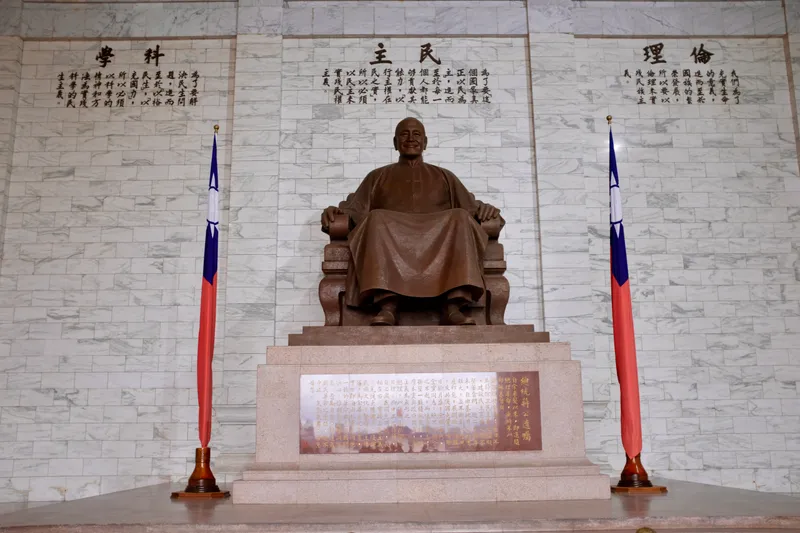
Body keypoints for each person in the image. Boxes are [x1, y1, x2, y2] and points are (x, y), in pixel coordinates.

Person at [321, 117, 502, 326]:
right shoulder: (377, 176)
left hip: (439, 236)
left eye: (416, 134)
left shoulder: (444, 176)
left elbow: (471, 209)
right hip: (389, 235)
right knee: (376, 218)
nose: (410, 139)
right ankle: (388, 305)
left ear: (425, 142)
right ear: (395, 142)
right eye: (404, 134)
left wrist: (486, 211)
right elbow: (354, 210)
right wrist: (335, 212)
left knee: (460, 217)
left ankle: (452, 307)